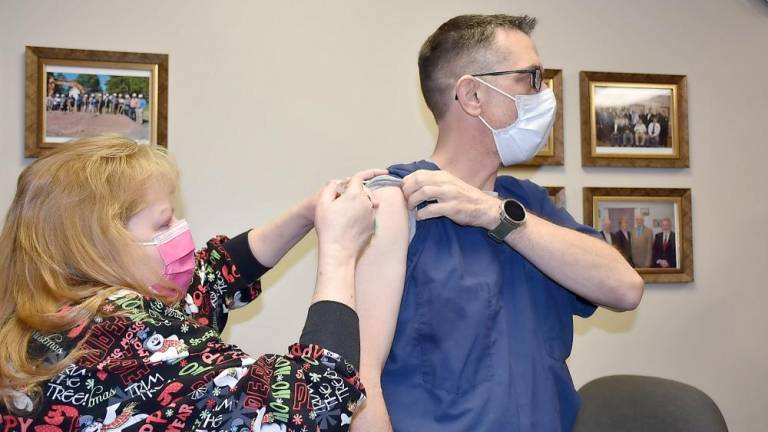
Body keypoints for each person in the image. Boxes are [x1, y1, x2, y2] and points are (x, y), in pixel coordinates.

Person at [350, 14, 644, 431]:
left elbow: (625, 288)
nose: (544, 94)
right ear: (472, 95)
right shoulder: (395, 200)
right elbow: (360, 386)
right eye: (531, 78)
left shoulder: (528, 204)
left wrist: (495, 214)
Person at [0, 136, 387, 431]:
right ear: (101, 243)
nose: (180, 232)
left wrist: (306, 215)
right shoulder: (122, 331)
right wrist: (338, 252)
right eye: (164, 223)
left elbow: (210, 279)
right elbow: (311, 402)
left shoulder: (47, 311)